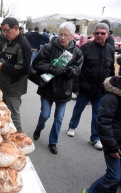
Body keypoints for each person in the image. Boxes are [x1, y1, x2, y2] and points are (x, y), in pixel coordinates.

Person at [32, 22, 83, 154]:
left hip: (64, 90)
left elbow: (77, 71)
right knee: (45, 115)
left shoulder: (77, 52)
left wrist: (65, 70)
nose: (62, 37)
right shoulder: (49, 47)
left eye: (66, 35)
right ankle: (39, 128)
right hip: (47, 87)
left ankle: (53, 142)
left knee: (59, 119)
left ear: (72, 36)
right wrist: (53, 68)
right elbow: (37, 63)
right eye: (61, 34)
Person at [67, 23, 115, 150]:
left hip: (101, 90)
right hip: (84, 87)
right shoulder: (86, 48)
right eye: (97, 33)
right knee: (78, 109)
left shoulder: (110, 50)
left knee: (97, 115)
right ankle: (72, 126)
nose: (99, 35)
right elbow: (77, 69)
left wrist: (112, 87)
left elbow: (111, 71)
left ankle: (95, 138)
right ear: (93, 34)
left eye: (103, 33)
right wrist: (75, 87)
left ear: (108, 34)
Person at [0, 17, 31, 132]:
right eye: (3, 31)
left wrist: (2, 66)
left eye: (6, 30)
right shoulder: (9, 42)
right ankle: (9, 139)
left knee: (13, 116)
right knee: (4, 113)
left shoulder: (23, 45)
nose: (4, 33)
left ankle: (19, 141)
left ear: (15, 28)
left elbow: (24, 68)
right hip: (4, 84)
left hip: (14, 87)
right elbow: (6, 59)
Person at [83, 76, 121, 193]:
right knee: (114, 175)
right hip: (113, 143)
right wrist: (113, 147)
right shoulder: (111, 98)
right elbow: (103, 124)